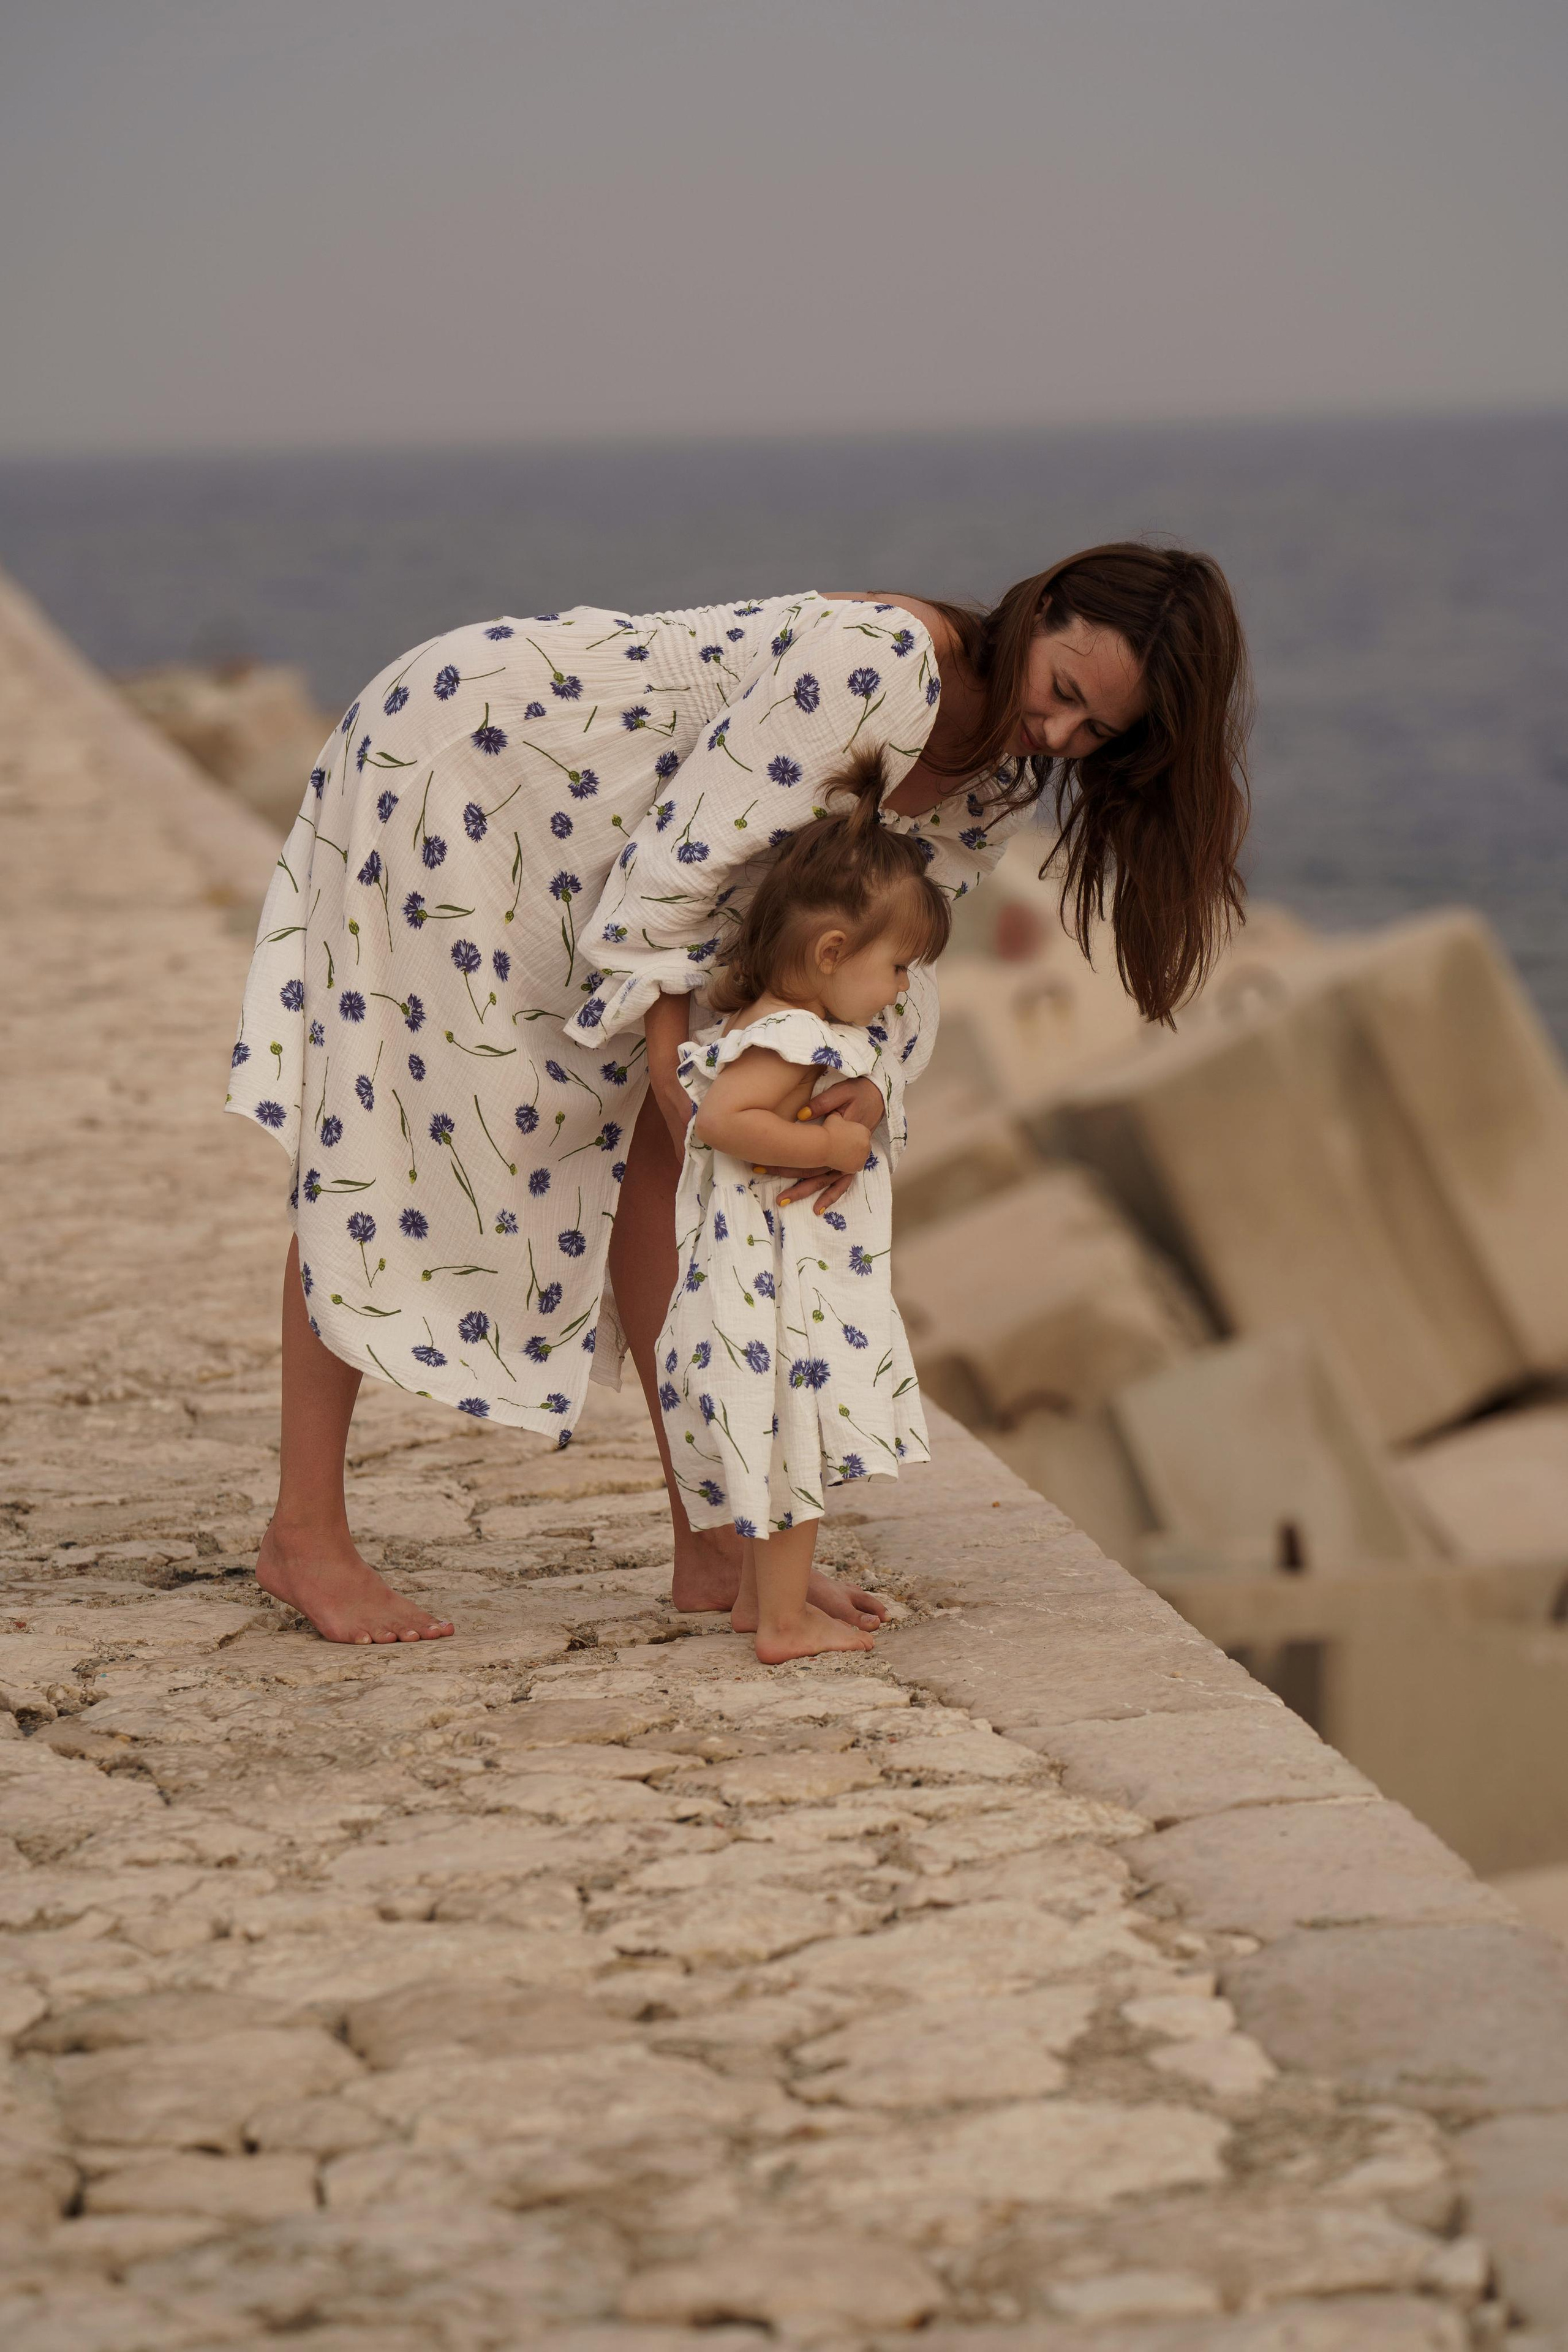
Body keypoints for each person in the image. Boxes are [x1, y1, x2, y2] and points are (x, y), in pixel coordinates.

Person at [226, 548, 1250, 1644]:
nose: (1058, 739)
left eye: (1097, 735)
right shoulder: (884, 665)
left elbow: (886, 951)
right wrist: (676, 1083)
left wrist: (860, 1093)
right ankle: (306, 1536)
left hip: (613, 853)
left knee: (673, 1179)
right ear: (1043, 609)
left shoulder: (999, 776)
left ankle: (717, 1547)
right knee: (391, 1140)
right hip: (479, 760)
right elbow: (671, 882)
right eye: (1062, 695)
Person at [658, 748, 951, 1662]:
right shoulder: (791, 1034)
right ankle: (784, 1624)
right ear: (832, 953)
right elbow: (722, 1119)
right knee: (788, 1447)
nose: (903, 988)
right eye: (899, 967)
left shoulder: (760, 1020)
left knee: (769, 1441)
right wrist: (833, 1145)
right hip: (771, 1290)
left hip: (758, 1281)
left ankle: (759, 1599)